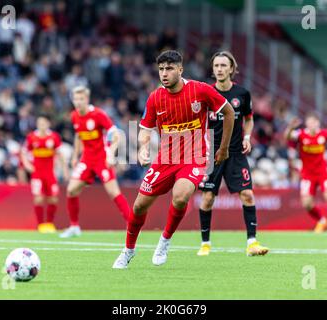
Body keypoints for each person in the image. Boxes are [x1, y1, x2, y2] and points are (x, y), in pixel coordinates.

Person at [112, 50, 235, 269]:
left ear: (180, 69)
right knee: (139, 206)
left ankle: (164, 241)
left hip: (195, 157)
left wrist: (223, 148)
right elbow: (145, 129)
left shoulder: (200, 90)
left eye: (169, 68)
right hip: (165, 159)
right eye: (161, 69)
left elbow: (228, 113)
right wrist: (142, 148)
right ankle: (128, 250)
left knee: (180, 197)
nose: (164, 73)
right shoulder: (155, 97)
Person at [198, 51, 269, 256]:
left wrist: (247, 137)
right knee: (208, 198)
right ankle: (205, 244)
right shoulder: (206, 94)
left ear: (231, 69)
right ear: (213, 70)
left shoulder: (242, 94)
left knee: (247, 194)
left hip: (236, 153)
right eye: (216, 65)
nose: (219, 69)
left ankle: (252, 242)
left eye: (223, 65)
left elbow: (249, 118)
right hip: (212, 154)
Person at [59, 85, 131, 238]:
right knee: (71, 190)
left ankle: (132, 224)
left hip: (101, 158)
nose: (78, 102)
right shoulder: (74, 116)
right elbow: (79, 135)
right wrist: (74, 156)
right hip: (86, 159)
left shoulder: (98, 114)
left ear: (87, 99)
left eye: (81, 99)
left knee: (113, 192)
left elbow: (116, 134)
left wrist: (111, 154)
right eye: (75, 99)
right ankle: (74, 227)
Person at [21, 114, 68, 233]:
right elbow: (23, 152)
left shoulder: (54, 137)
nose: (41, 125)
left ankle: (50, 224)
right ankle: (40, 225)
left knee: (53, 199)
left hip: (50, 173)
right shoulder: (32, 137)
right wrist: (27, 165)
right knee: (38, 198)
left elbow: (60, 154)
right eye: (39, 123)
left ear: (48, 124)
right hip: (37, 174)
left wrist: (65, 170)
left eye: (44, 123)